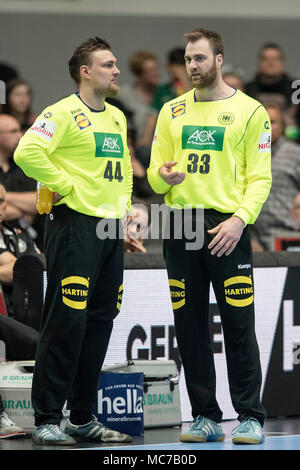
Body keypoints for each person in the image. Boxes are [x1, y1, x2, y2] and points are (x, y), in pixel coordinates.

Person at [147, 28, 272, 445]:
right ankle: (204, 416)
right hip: (181, 226)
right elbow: (153, 173)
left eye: (200, 58)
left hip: (228, 225)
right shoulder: (171, 111)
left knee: (239, 322)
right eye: (188, 59)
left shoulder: (252, 112)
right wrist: (163, 177)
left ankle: (250, 415)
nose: (193, 66)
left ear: (219, 60)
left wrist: (240, 220)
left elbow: (260, 178)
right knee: (190, 325)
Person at [14, 36, 133, 446]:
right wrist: (66, 185)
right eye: (108, 65)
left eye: (115, 64)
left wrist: (127, 213)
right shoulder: (61, 112)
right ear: (85, 71)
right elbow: (26, 152)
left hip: (109, 229)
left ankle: (82, 416)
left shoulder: (116, 117)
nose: (116, 71)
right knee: (65, 321)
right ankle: (47, 416)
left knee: (100, 321)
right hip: (74, 228)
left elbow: (121, 170)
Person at [251, 104, 300, 250]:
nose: (266, 127)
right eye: (262, 122)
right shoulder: (246, 154)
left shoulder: (294, 153)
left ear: (283, 126)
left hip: (288, 234)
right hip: (254, 237)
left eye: (272, 122)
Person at [245, 43, 299, 140]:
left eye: (275, 59)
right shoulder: (247, 90)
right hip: (254, 142)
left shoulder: (296, 90)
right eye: (266, 59)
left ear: (283, 63)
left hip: (292, 146)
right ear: (259, 63)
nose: (271, 63)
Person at [0, 114, 37, 233]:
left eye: (20, 130)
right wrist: (23, 210)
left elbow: (38, 202)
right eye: (13, 131)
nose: (20, 136)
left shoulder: (24, 164)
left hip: (28, 240)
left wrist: (4, 196)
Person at [151, 47, 192, 112]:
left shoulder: (198, 88)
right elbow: (153, 115)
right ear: (168, 66)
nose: (178, 69)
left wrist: (184, 79)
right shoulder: (161, 91)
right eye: (175, 66)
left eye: (181, 65)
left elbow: (193, 103)